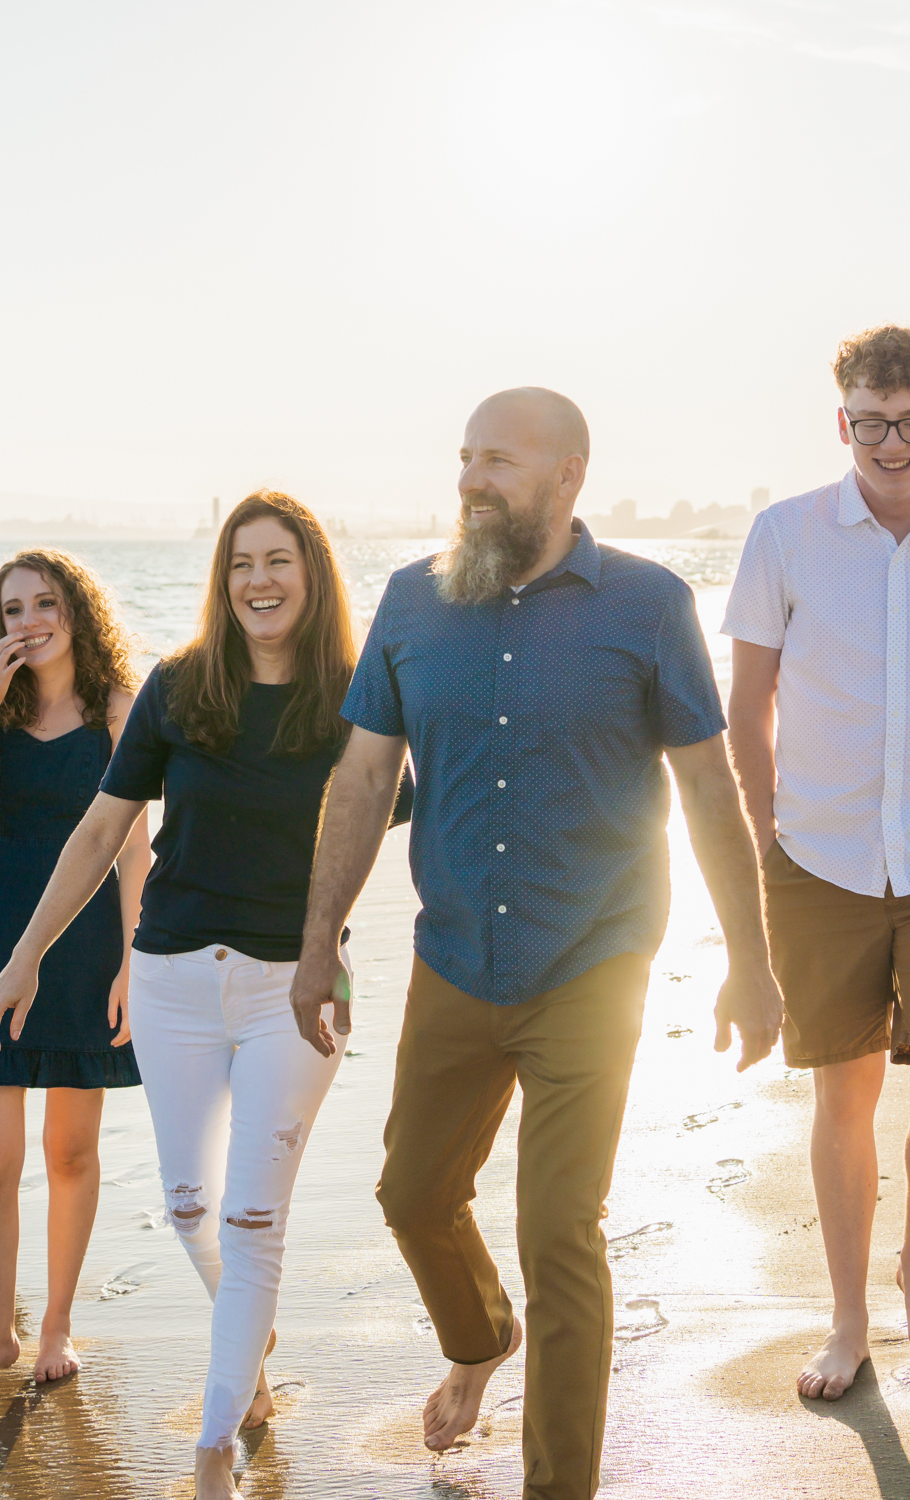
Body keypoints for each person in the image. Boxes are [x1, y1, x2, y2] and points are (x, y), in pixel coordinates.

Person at [290, 387, 783, 1500]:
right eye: (465, 456)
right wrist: (316, 939)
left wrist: (750, 964)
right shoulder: (412, 602)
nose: (472, 478)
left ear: (567, 476)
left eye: (499, 460)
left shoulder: (650, 604)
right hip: (452, 955)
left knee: (562, 1231)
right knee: (412, 1195)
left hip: (592, 966)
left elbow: (706, 786)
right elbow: (364, 777)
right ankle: (478, 1339)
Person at [0, 494, 410, 1500]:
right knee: (190, 1206)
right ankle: (245, 1355)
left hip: (291, 993)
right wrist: (24, 956)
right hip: (171, 978)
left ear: (313, 577)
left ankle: (213, 1450)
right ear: (223, 581)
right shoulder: (178, 686)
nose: (258, 581)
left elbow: (376, 833)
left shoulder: (358, 695)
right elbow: (100, 830)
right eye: (240, 563)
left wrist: (333, 945)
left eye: (279, 562)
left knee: (253, 1218)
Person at [724, 324, 910, 1403]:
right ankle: (847, 1323)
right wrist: (765, 851)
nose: (891, 444)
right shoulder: (785, 536)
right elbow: (746, 709)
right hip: (822, 865)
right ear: (842, 422)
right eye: (872, 424)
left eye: (908, 423)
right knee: (843, 1096)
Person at [0, 548, 151, 1400]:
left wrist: (132, 959)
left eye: (45, 603)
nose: (29, 620)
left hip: (89, 938)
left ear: (76, 611)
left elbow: (132, 845)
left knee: (70, 1151)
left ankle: (57, 1323)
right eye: (12, 608)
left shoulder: (118, 710)